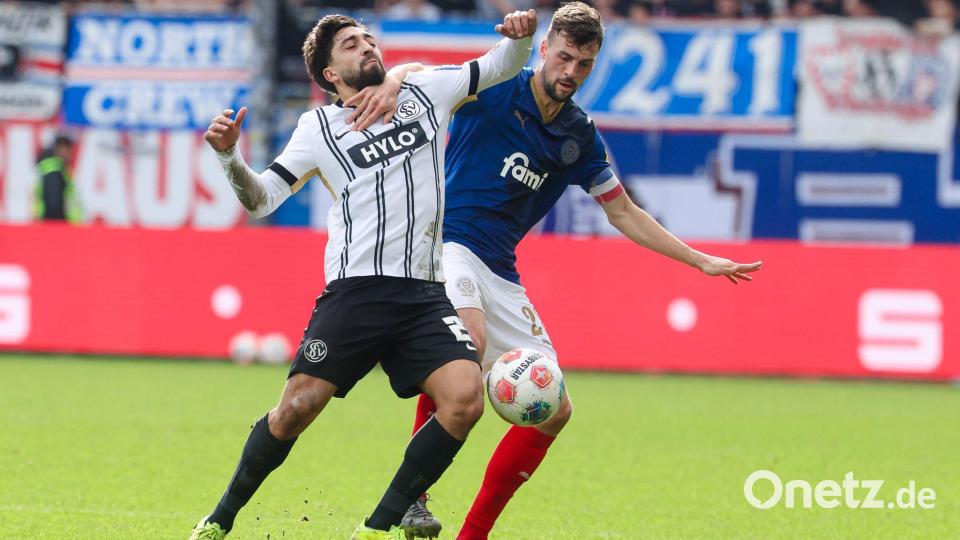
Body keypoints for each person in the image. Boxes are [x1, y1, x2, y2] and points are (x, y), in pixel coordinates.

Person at [346, 3, 762, 539]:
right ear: (544, 48)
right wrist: (393, 82)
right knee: (465, 346)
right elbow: (416, 75)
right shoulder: (494, 85)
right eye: (564, 56)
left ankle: (474, 534)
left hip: (499, 269)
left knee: (555, 409)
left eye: (584, 64)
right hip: (444, 245)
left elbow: (623, 212)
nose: (570, 72)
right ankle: (414, 499)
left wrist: (700, 259)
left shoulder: (579, 135)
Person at [189, 10, 538, 540]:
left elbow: (497, 66)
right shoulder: (318, 128)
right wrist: (229, 157)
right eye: (351, 44)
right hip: (356, 291)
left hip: (425, 293)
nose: (366, 46)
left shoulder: (423, 92)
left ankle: (377, 527)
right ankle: (218, 519)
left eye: (368, 38)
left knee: (466, 397)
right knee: (294, 411)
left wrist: (521, 38)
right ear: (330, 73)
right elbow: (262, 199)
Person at [34, 134, 80, 222]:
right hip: (55, 225)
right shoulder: (54, 172)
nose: (70, 154)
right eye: (68, 149)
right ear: (58, 150)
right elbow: (53, 204)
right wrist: (59, 224)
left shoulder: (53, 169)